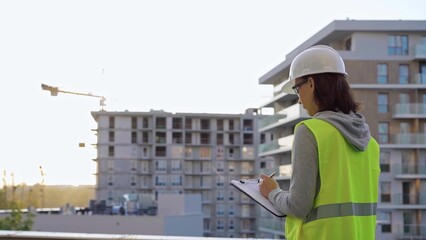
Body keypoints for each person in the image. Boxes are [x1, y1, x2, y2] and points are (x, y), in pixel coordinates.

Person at [259, 45, 381, 240]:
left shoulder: (309, 131)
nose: (298, 99)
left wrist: (272, 192)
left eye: (297, 89)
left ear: (311, 83)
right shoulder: (370, 143)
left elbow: (297, 206)